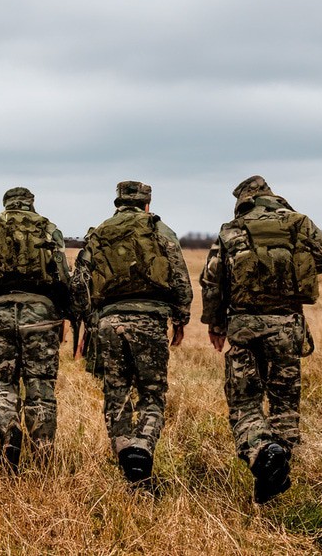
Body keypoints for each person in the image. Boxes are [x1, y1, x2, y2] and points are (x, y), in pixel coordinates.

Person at [200, 175, 322, 504]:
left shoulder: (232, 229)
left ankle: (262, 452)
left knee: (244, 403)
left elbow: (212, 280)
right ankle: (278, 470)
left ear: (243, 201)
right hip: (288, 326)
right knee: (285, 405)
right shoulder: (301, 223)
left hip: (244, 327)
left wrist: (215, 324)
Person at [75, 181, 192, 484]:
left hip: (108, 323)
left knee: (116, 396)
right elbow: (180, 276)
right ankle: (142, 448)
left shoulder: (99, 232)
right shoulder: (160, 230)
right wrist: (181, 319)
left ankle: (126, 455)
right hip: (150, 321)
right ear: (147, 204)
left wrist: (89, 324)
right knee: (152, 395)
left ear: (117, 203)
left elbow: (80, 283)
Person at [0, 187, 73, 470]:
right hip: (41, 315)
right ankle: (42, 455)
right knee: (40, 385)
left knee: (4, 381)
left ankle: (8, 428)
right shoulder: (48, 227)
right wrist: (63, 315)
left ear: (6, 203)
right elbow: (63, 277)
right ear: (31, 204)